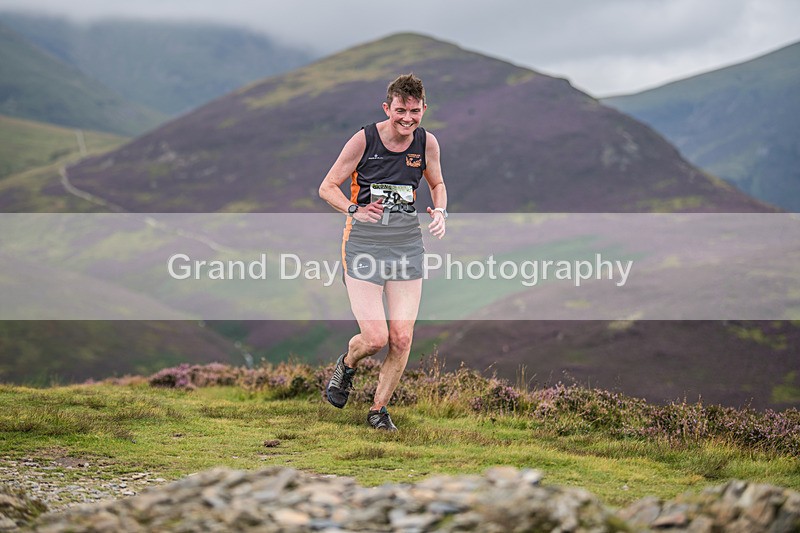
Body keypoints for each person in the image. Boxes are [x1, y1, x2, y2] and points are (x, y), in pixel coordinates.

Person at [318, 73, 448, 431]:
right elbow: (327, 187)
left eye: (415, 111)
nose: (407, 118)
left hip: (406, 246)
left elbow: (437, 184)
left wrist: (440, 210)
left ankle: (378, 410)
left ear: (424, 109)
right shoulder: (364, 139)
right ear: (387, 108)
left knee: (402, 337)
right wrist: (353, 209)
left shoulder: (427, 143)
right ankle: (347, 364)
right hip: (363, 245)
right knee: (375, 338)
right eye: (401, 111)